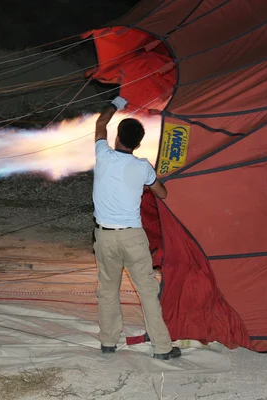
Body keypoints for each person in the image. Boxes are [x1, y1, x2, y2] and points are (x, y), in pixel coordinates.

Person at [92, 96, 181, 360]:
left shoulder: (102, 155)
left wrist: (116, 104)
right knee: (147, 292)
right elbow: (162, 194)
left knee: (108, 290)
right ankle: (163, 348)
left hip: (105, 236)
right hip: (132, 237)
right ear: (139, 144)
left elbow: (100, 123)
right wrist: (152, 181)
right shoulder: (142, 166)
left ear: (116, 137)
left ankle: (108, 342)